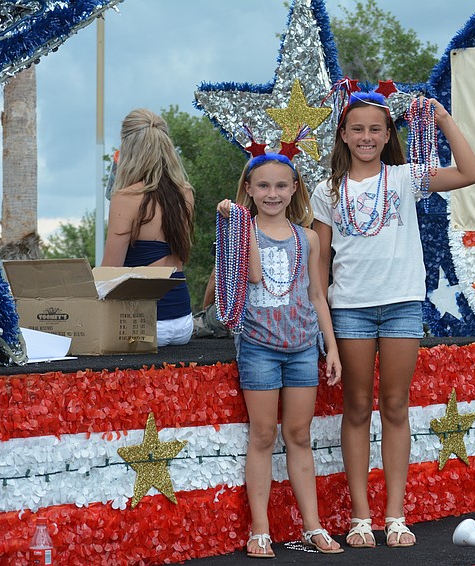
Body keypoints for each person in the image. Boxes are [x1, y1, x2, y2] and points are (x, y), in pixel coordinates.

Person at [310, 91, 475, 548]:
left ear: (388, 136)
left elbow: (471, 172)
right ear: (343, 136)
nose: (366, 137)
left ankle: (396, 516)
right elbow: (319, 263)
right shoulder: (327, 191)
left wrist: (443, 116)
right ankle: (361, 518)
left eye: (375, 129)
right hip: (350, 308)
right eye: (357, 129)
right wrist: (325, 330)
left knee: (395, 406)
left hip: (402, 303)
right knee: (357, 407)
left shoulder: (406, 177)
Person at [216, 153, 343, 558]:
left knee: (299, 435)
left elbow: (317, 295)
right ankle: (260, 529)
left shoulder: (309, 238)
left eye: (281, 186)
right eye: (264, 186)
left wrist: (331, 347)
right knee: (263, 434)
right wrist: (235, 220)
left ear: (294, 190)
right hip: (259, 348)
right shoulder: (242, 231)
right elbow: (252, 275)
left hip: (303, 347)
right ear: (249, 190)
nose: (273, 194)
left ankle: (313, 526)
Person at [101, 108, 195, 346]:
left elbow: (109, 273)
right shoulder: (185, 192)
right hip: (183, 319)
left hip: (148, 322)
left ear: (128, 150)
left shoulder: (126, 197)